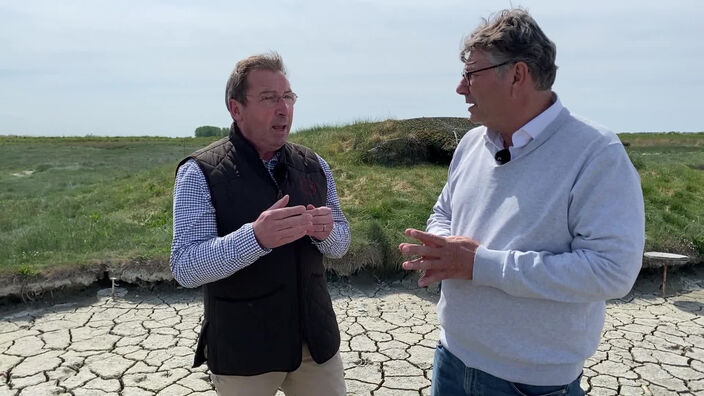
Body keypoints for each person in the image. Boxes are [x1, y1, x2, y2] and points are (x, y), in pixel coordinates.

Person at [399, 8, 645, 396]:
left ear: (517, 75)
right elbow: (445, 211)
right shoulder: (471, 144)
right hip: (451, 361)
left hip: (530, 384)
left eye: (471, 75)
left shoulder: (596, 153)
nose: (461, 88)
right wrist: (442, 247)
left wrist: (480, 264)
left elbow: (612, 271)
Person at [170, 52, 349, 396]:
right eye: (269, 98)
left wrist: (327, 233)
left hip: (316, 343)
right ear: (236, 109)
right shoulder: (200, 172)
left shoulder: (315, 165)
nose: (283, 109)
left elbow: (342, 243)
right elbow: (185, 266)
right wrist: (255, 237)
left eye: (288, 97)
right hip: (244, 351)